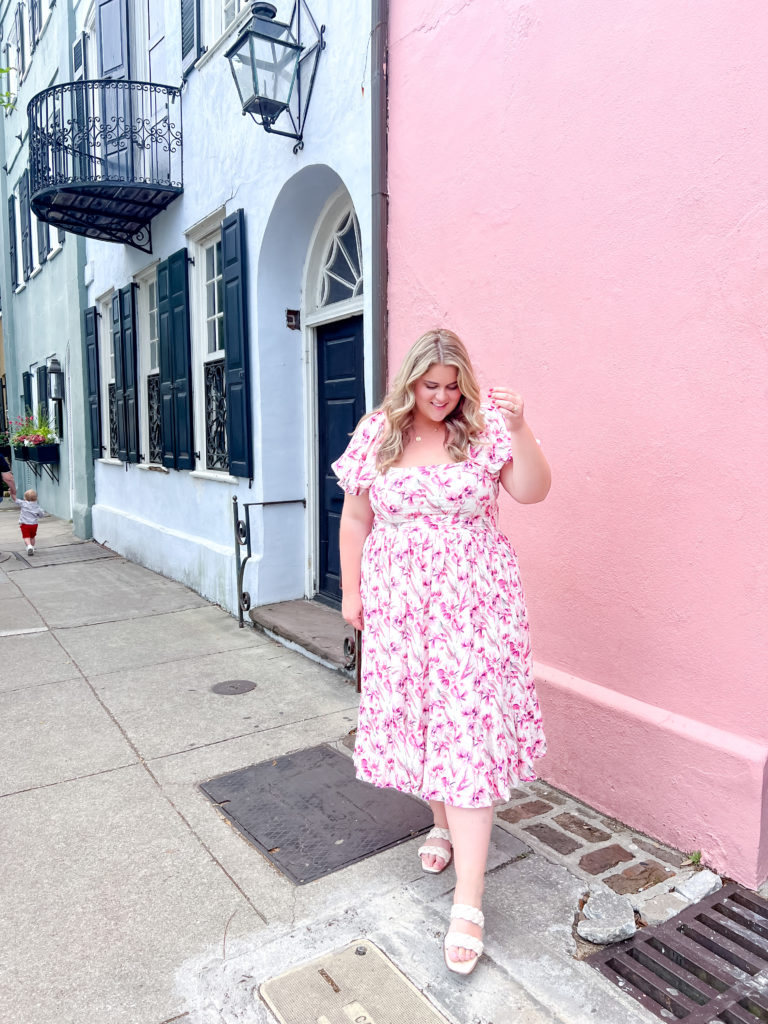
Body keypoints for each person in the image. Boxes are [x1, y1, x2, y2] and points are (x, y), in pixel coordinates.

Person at [332, 328, 551, 976]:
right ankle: (439, 823)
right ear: (410, 383)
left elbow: (534, 490)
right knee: (425, 723)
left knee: (468, 737)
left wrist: (523, 428)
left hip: (473, 610)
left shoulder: (481, 431)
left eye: (453, 386)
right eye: (432, 386)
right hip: (401, 611)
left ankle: (469, 901)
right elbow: (355, 518)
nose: (442, 397)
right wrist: (351, 593)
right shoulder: (379, 433)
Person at [14, 488, 46, 555]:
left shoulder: (23, 504)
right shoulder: (37, 507)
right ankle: (32, 547)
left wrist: (12, 493)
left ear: (25, 498)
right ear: (36, 498)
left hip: (25, 524)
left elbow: (15, 499)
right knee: (32, 537)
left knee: (26, 537)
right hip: (34, 525)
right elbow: (41, 515)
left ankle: (29, 546)